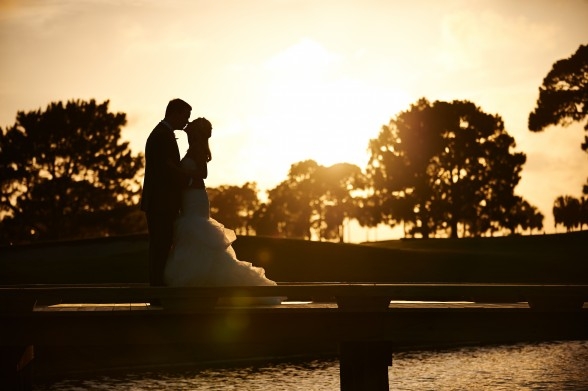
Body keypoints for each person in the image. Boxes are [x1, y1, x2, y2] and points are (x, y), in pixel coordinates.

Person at [164, 117, 283, 305]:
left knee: (197, 231)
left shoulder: (197, 150)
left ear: (195, 134)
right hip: (190, 196)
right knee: (193, 235)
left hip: (195, 197)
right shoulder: (193, 148)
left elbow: (202, 173)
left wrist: (178, 171)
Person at [141, 98, 192, 287]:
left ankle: (158, 290)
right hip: (160, 203)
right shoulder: (162, 136)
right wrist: (189, 180)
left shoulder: (162, 133)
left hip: (160, 202)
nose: (186, 121)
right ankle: (157, 292)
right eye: (185, 116)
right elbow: (166, 170)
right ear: (175, 113)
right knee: (160, 247)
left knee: (161, 247)